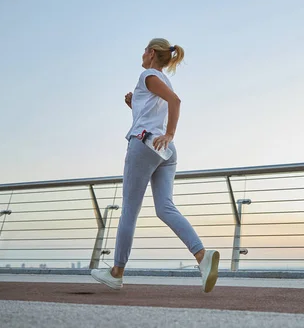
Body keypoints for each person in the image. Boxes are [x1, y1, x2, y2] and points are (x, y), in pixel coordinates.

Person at [91, 38, 220, 293]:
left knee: (129, 210)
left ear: (151, 53)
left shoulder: (147, 75)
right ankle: (202, 257)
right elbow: (152, 114)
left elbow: (176, 102)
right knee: (165, 207)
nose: (142, 54)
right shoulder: (160, 81)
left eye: (143, 50)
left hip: (145, 144)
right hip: (164, 151)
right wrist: (134, 106)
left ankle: (117, 272)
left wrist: (170, 133)